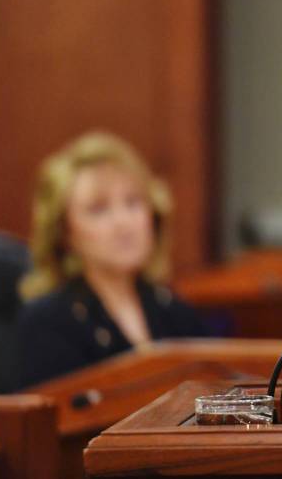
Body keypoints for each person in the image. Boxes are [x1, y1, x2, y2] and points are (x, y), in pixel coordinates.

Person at [17, 132, 206, 387]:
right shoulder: (47, 322)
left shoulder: (176, 312)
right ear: (65, 233)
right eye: (99, 209)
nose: (123, 223)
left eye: (133, 202)